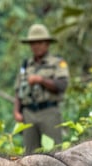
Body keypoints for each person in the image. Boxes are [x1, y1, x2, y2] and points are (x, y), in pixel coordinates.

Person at [14, 23, 70, 153]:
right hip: (29, 113)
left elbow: (62, 85)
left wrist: (41, 80)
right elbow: (18, 90)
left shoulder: (56, 62)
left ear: (47, 43)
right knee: (29, 154)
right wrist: (17, 111)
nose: (36, 46)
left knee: (54, 152)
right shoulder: (26, 65)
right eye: (33, 43)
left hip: (48, 111)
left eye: (39, 42)